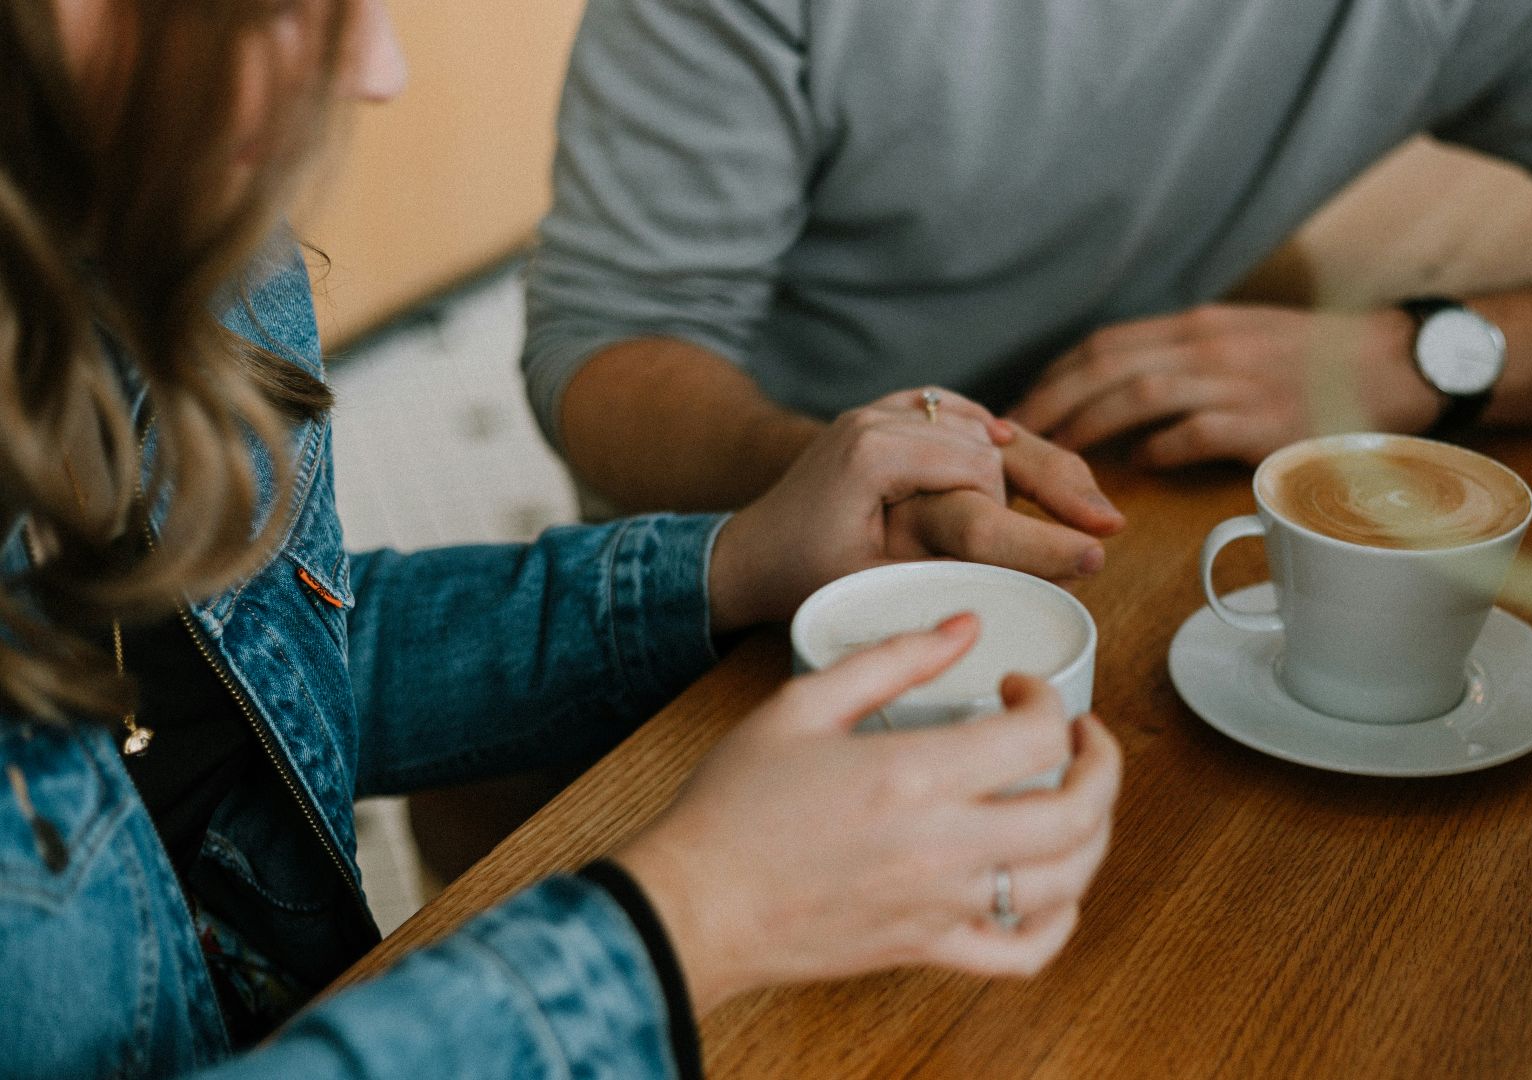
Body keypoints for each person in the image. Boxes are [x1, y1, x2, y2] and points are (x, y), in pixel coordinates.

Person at [0, 0, 1123, 1075]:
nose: (376, 71)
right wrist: (685, 921)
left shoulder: (155, 246)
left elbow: (267, 670)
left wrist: (731, 562)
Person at [524, 0, 1532, 522]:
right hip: (746, 514)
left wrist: (1422, 355)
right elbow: (607, 350)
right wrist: (857, 472)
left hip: (1149, 478)